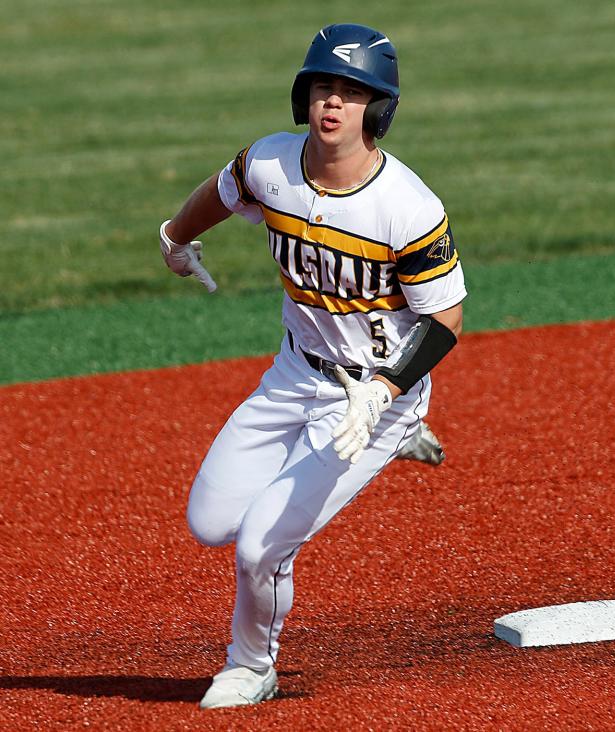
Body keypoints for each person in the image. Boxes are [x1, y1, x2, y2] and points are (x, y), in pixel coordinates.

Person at [158, 23, 466, 709]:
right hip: (294, 376)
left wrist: (387, 392)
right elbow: (223, 188)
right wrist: (176, 237)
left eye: (353, 92)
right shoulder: (270, 164)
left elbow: (446, 319)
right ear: (304, 95)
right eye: (324, 86)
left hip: (372, 399)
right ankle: (390, 438)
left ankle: (251, 665)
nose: (334, 102)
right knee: (211, 523)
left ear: (377, 109)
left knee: (261, 544)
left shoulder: (408, 209)